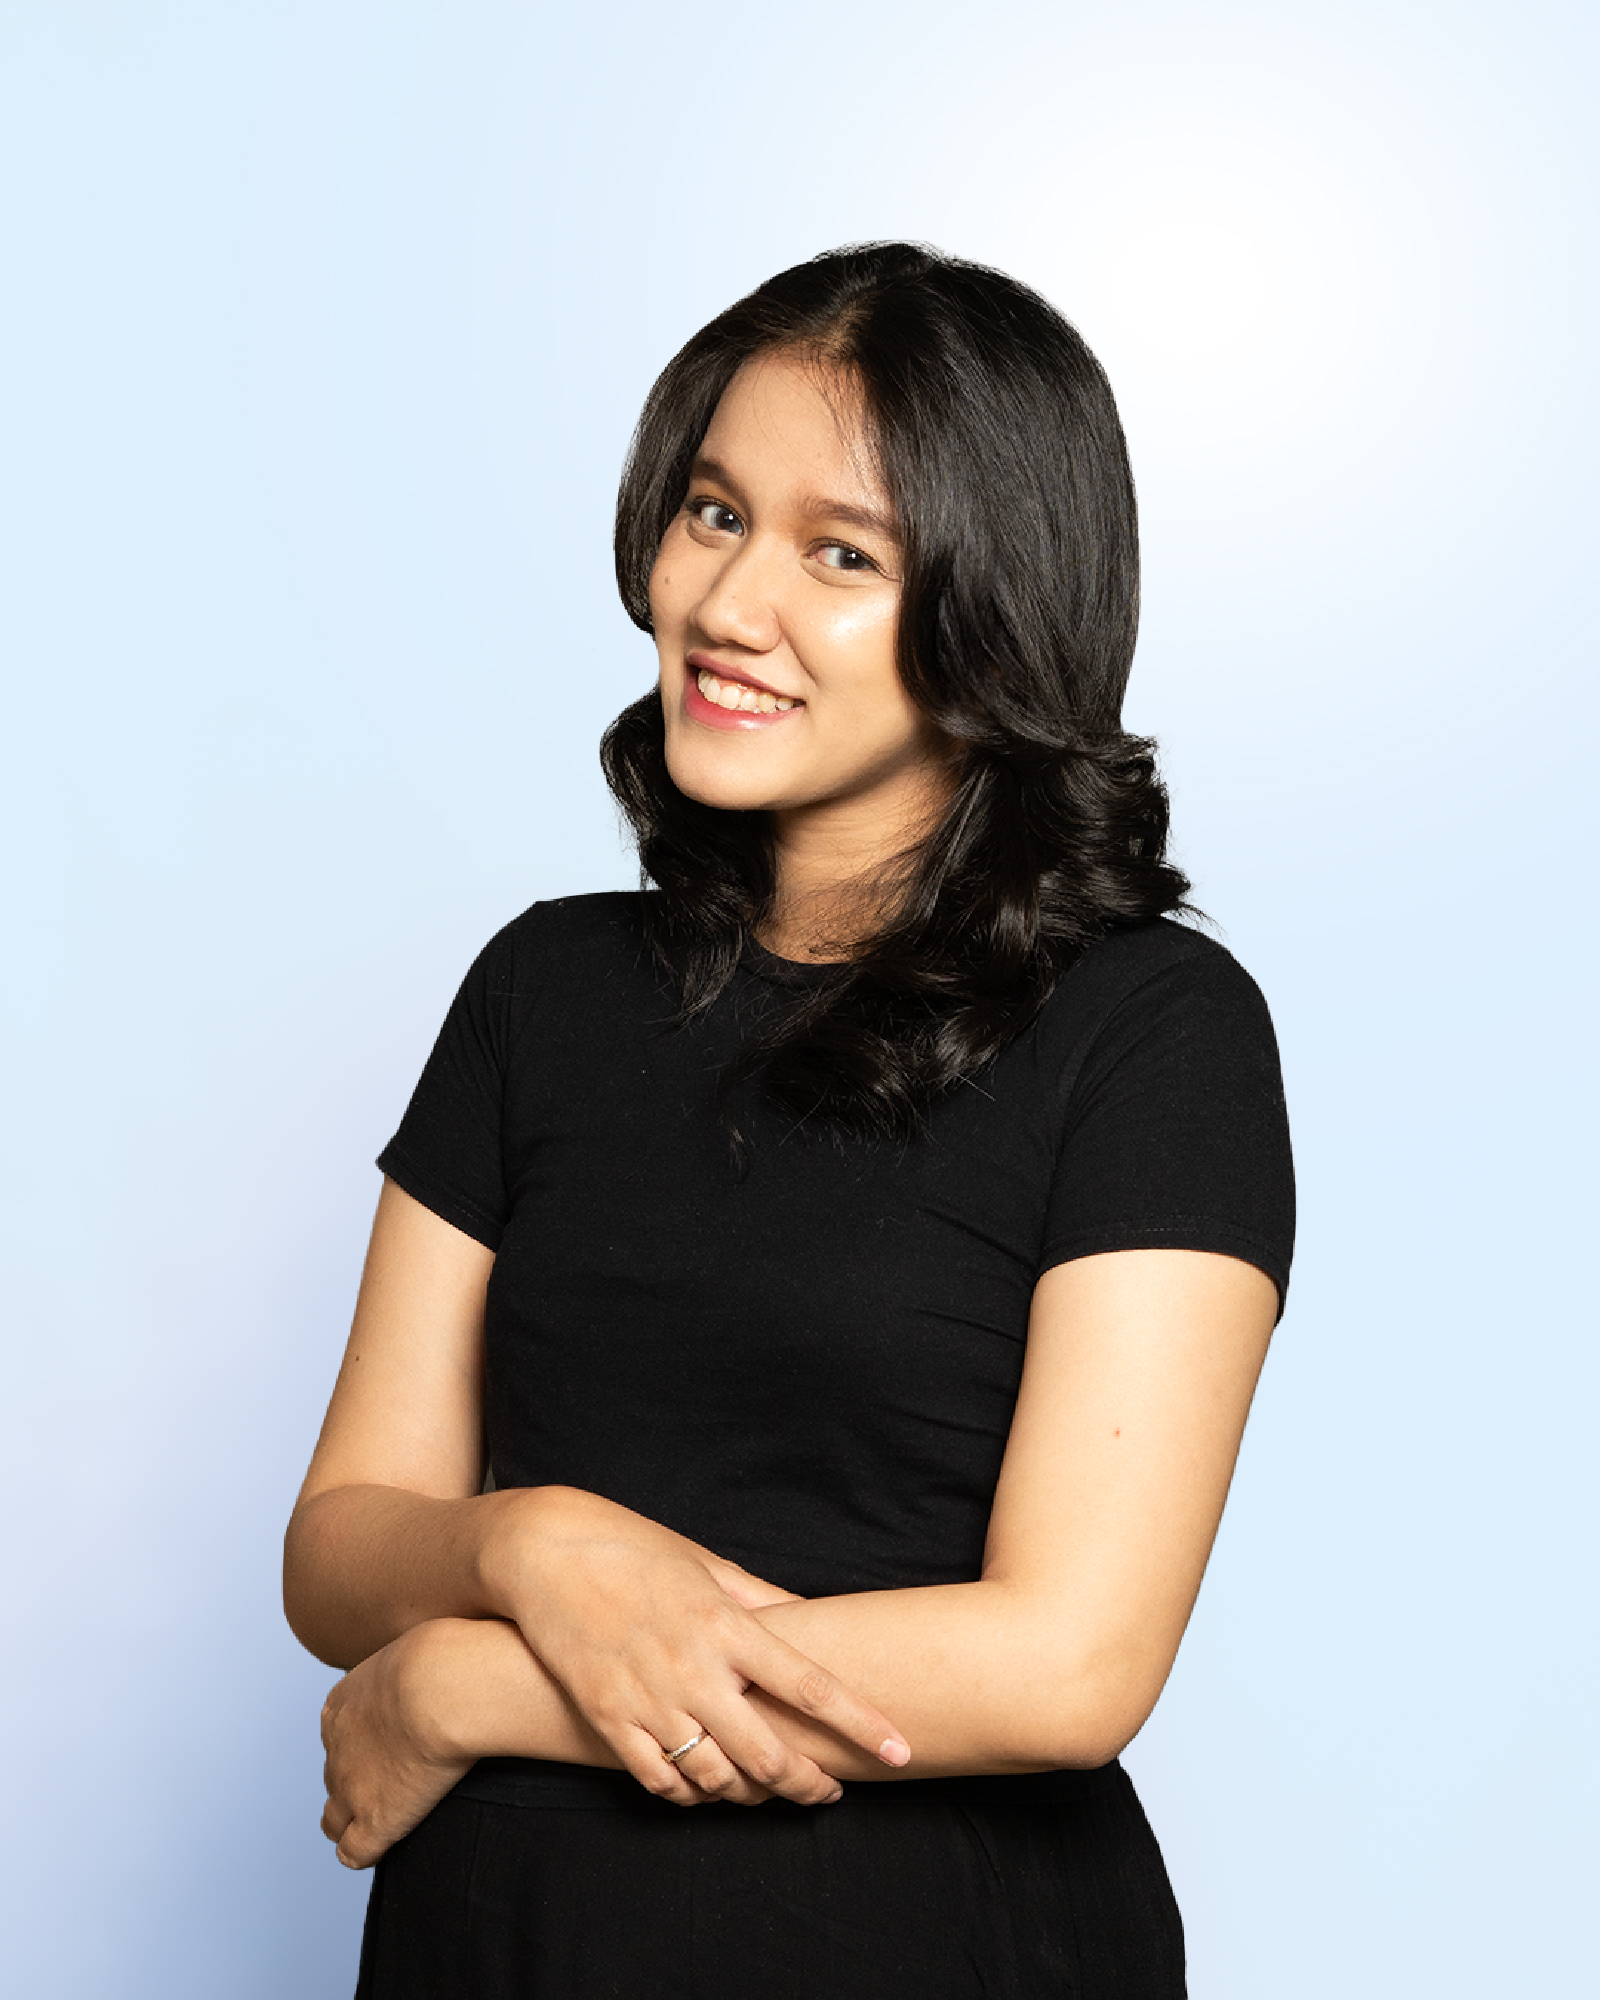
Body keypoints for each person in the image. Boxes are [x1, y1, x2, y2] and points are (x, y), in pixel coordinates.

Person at [285, 241, 1295, 1999]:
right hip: (501, 1941)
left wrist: (471, 1680)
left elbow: (1069, 1664)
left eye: (843, 554)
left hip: (931, 1945)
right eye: (714, 514)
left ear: (998, 609)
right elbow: (338, 1546)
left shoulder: (1156, 1028)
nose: (731, 603)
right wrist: (533, 1543)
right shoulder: (541, 988)